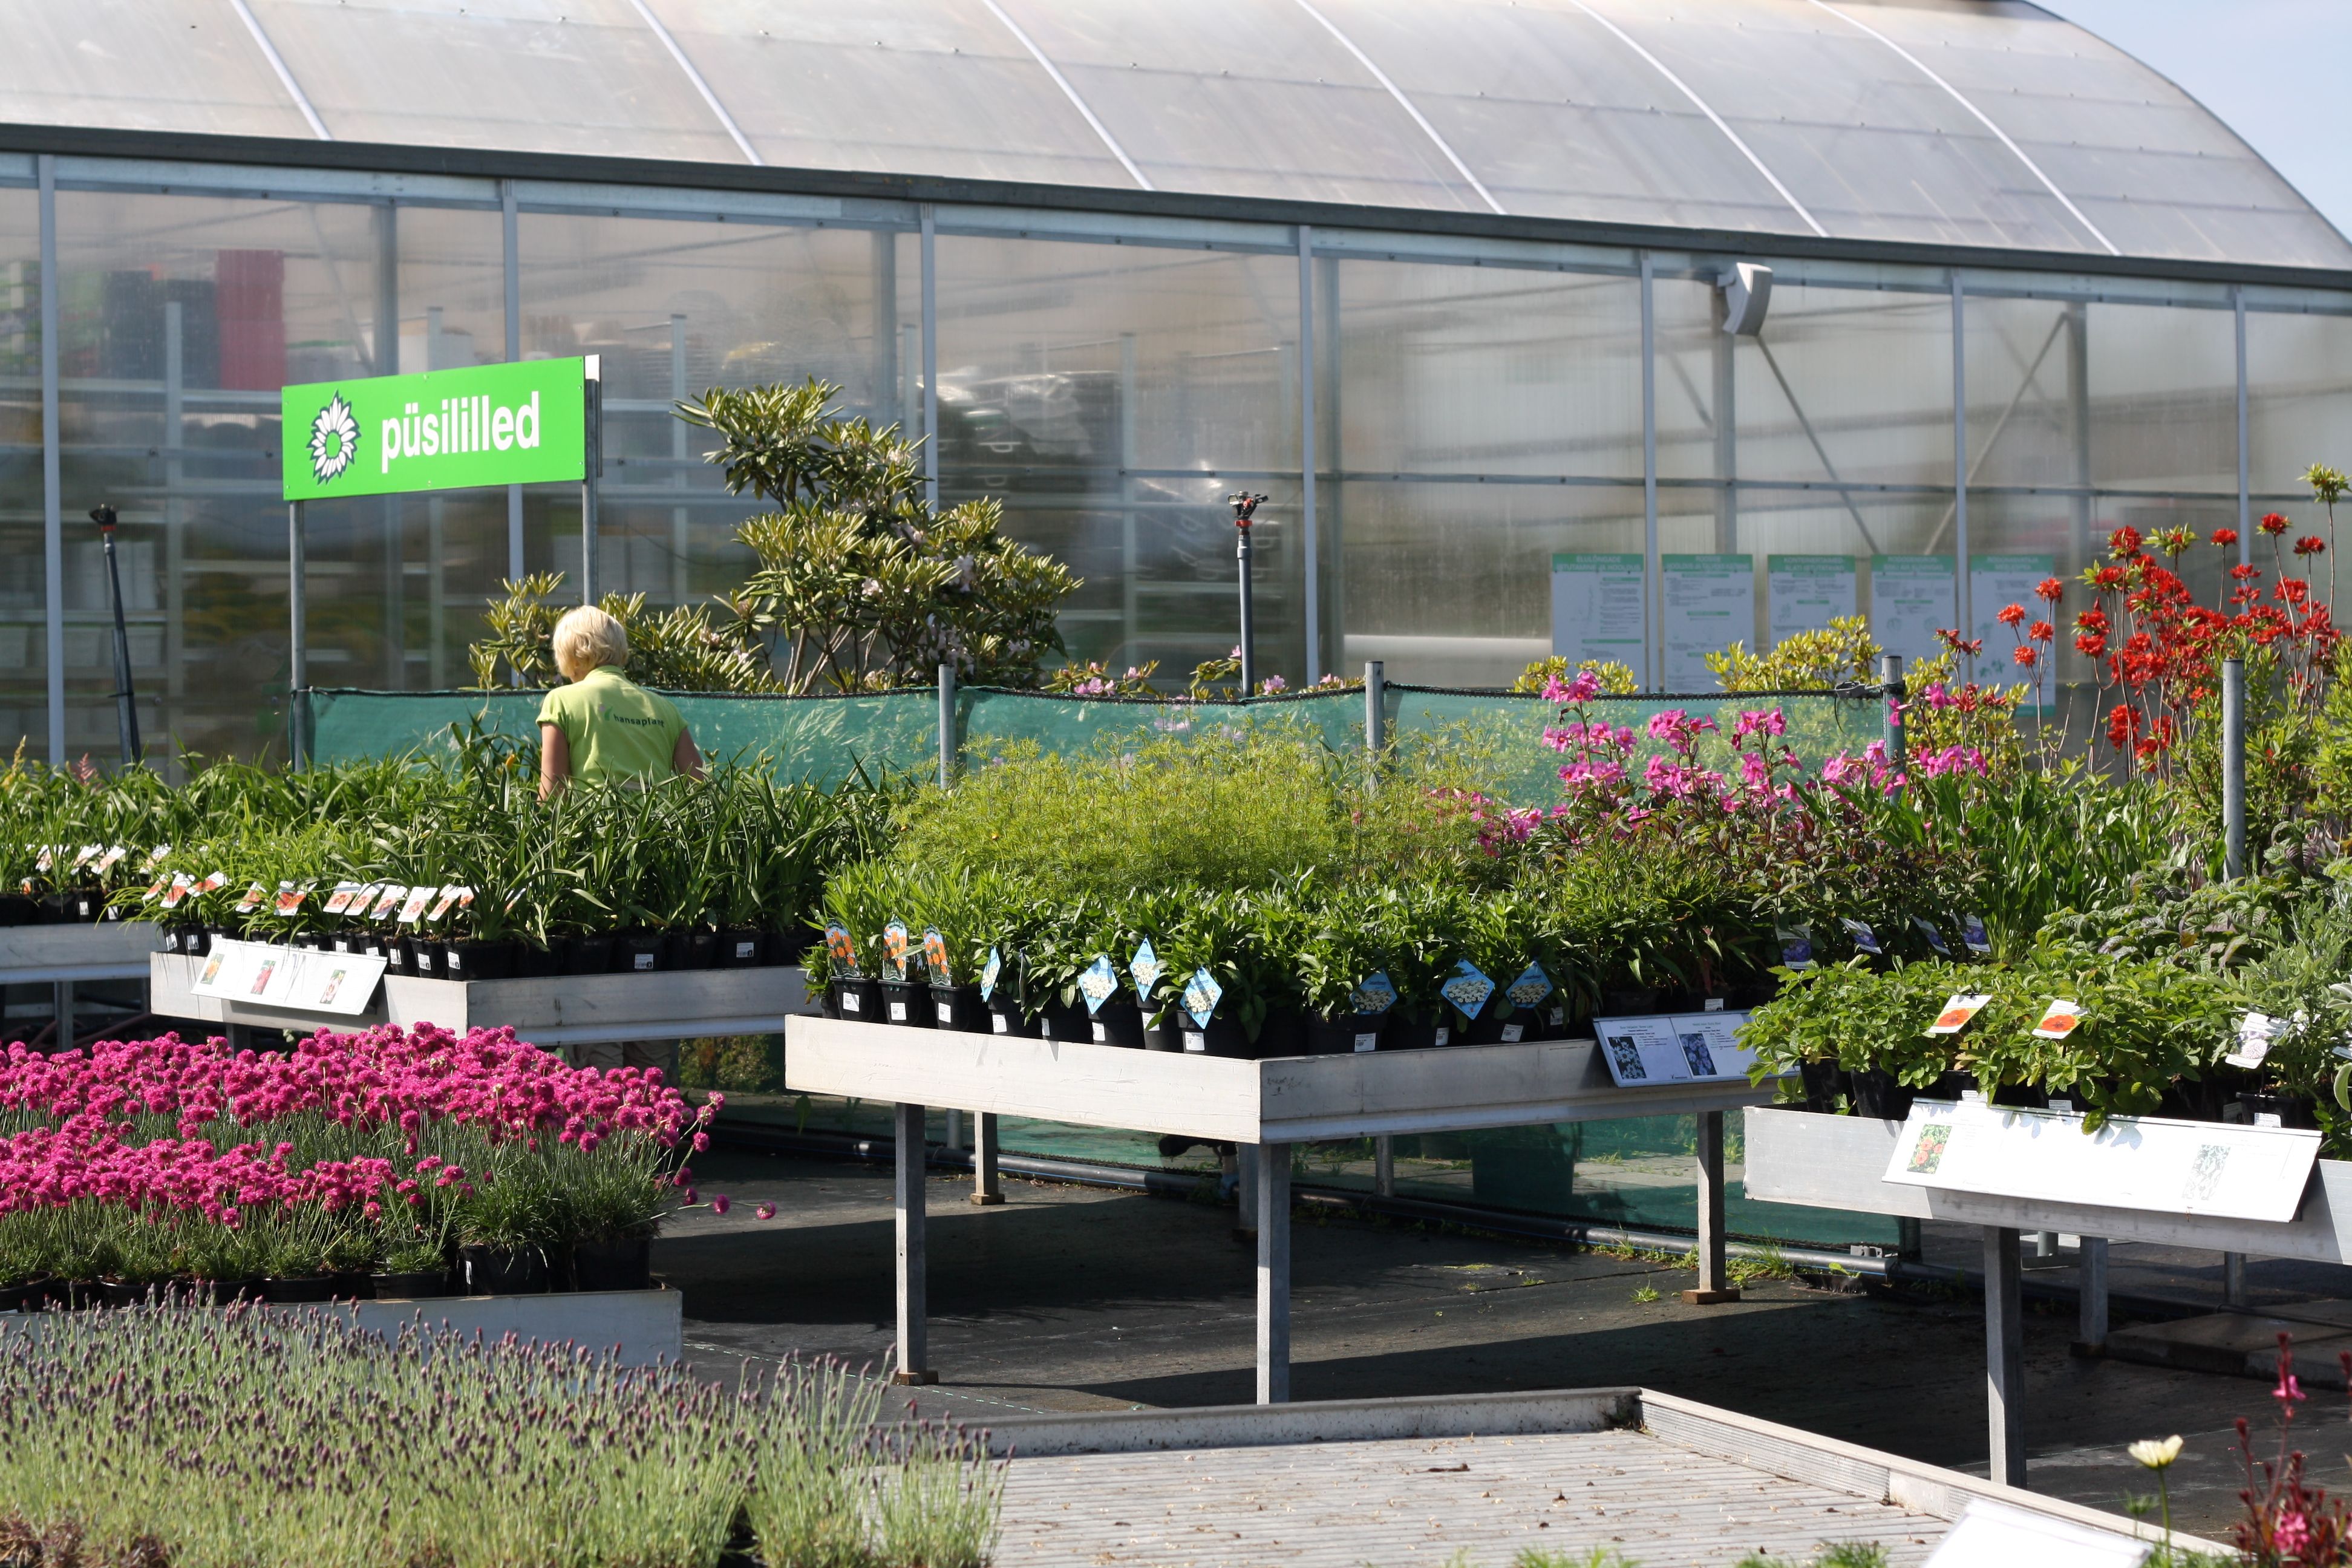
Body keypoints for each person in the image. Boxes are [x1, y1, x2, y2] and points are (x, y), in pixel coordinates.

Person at [535, 605, 703, 798]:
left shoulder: (561, 700)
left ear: (571, 655)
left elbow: (552, 794)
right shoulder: (666, 708)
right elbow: (701, 787)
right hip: (659, 816)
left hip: (597, 817)